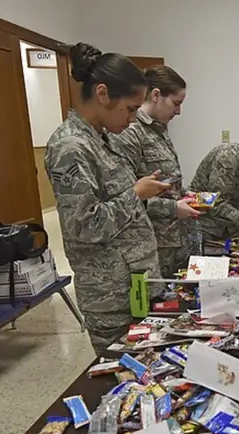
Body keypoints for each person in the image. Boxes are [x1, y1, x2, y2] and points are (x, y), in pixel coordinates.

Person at [45, 42, 170, 351]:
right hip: (111, 297)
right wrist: (135, 194)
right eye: (130, 108)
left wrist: (142, 194)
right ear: (103, 94)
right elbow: (84, 225)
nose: (133, 118)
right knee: (120, 372)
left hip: (135, 284)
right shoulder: (71, 147)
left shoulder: (102, 139)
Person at [115, 65, 201, 278]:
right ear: (155, 95)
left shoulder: (158, 129)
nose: (178, 112)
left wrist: (186, 196)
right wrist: (173, 208)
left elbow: (166, 182)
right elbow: (126, 197)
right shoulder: (130, 132)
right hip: (152, 244)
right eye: (176, 103)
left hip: (175, 238)